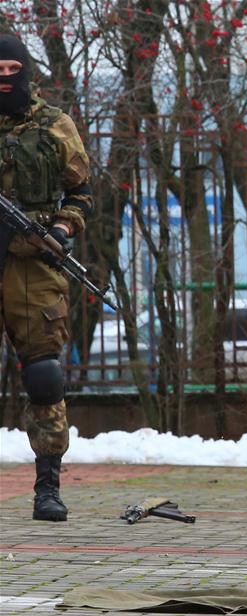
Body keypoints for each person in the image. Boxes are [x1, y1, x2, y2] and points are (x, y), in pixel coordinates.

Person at [0, 35, 92, 522]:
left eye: (13, 67)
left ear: (28, 70)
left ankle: (47, 485)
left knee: (44, 374)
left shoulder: (54, 124)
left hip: (33, 261)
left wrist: (60, 226)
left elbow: (82, 192)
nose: (5, 76)